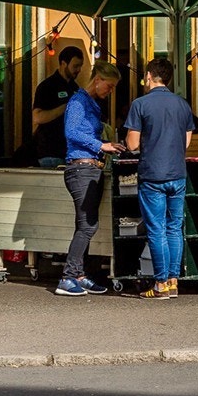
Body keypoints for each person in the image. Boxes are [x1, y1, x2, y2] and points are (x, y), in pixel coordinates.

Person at [123, 57, 198, 300]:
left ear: (148, 76)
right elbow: (186, 142)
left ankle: (160, 284)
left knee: (156, 230)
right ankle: (174, 281)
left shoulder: (140, 104)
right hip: (177, 173)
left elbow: (132, 144)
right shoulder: (183, 105)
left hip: (152, 173)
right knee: (174, 228)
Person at [56, 61, 123, 296]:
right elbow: (71, 132)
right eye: (110, 85)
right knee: (88, 225)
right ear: (97, 80)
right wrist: (101, 144)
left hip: (91, 168)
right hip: (80, 169)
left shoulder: (91, 104)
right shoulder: (77, 102)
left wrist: (106, 145)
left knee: (83, 225)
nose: (111, 90)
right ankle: (67, 277)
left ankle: (79, 275)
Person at [31, 46, 84, 167]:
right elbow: (37, 117)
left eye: (80, 66)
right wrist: (66, 107)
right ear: (63, 63)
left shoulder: (75, 88)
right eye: (75, 66)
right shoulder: (47, 86)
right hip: (50, 152)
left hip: (70, 152)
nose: (79, 70)